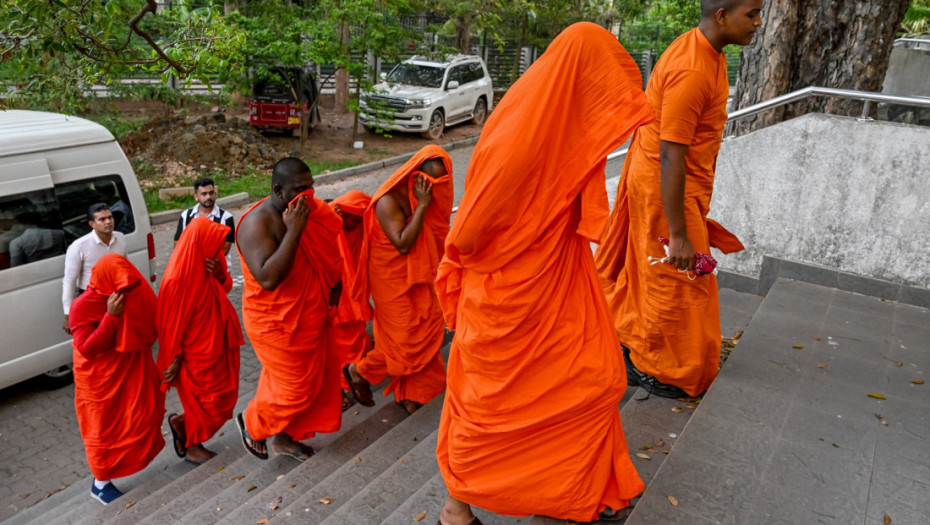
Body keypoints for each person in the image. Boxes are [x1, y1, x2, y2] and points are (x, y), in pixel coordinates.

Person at [433, 22, 655, 524]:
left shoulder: (558, 122)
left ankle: (575, 492)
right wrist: (508, 250)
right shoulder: (524, 132)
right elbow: (471, 228)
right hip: (506, 296)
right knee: (487, 409)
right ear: (578, 84)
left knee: (597, 380)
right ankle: (456, 508)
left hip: (555, 286)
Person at [595, 0, 759, 399]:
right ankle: (657, 367)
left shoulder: (706, 51)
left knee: (653, 274)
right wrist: (680, 234)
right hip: (664, 187)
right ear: (722, 16)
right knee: (674, 278)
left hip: (668, 183)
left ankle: (629, 340)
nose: (758, 22)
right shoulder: (692, 69)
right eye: (752, 14)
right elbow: (671, 154)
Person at [234, 157, 343, 462]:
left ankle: (284, 437)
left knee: (314, 380)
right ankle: (252, 423)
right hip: (275, 323)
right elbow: (268, 279)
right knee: (294, 388)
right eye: (299, 189)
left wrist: (334, 287)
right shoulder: (257, 224)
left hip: (310, 312)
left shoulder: (305, 210)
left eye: (310, 187)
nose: (307, 195)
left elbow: (326, 250)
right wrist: (294, 230)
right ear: (278, 192)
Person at [343, 145, 452, 416]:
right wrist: (423, 205)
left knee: (427, 328)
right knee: (405, 341)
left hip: (420, 275)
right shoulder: (388, 201)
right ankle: (359, 372)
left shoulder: (426, 195)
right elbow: (403, 244)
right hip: (391, 280)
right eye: (429, 182)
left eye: (440, 183)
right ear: (415, 177)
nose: (434, 189)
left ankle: (414, 393)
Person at [69, 253, 165, 505]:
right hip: (99, 382)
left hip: (129, 371)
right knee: (103, 431)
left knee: (140, 416)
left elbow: (149, 323)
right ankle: (100, 483)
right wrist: (111, 316)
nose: (126, 290)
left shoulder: (126, 295)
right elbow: (87, 348)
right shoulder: (82, 306)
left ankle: (130, 462)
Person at [157, 218, 243, 465]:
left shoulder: (211, 261)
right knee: (207, 403)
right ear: (199, 244)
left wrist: (219, 274)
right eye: (214, 243)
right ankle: (191, 444)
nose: (219, 249)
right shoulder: (176, 279)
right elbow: (168, 325)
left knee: (225, 397)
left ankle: (182, 424)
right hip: (195, 354)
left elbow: (226, 286)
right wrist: (174, 357)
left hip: (220, 343)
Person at [328, 190, 374, 411]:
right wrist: (333, 227)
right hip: (336, 302)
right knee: (336, 348)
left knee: (357, 343)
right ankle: (339, 388)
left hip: (355, 299)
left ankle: (351, 381)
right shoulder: (324, 227)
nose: (358, 223)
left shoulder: (358, 227)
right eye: (354, 219)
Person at [62, 203, 128, 335]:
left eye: (110, 217)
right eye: (102, 219)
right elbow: (69, 281)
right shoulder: (79, 246)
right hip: (90, 298)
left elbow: (126, 267)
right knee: (94, 338)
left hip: (115, 296)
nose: (108, 222)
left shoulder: (120, 238)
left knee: (119, 335)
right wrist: (68, 314)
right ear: (92, 224)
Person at [174, 177, 236, 256]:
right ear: (196, 197)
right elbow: (178, 244)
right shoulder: (185, 216)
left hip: (216, 263)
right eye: (204, 194)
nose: (208, 197)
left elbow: (225, 249)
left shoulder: (226, 217)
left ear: (215, 194)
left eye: (211, 193)